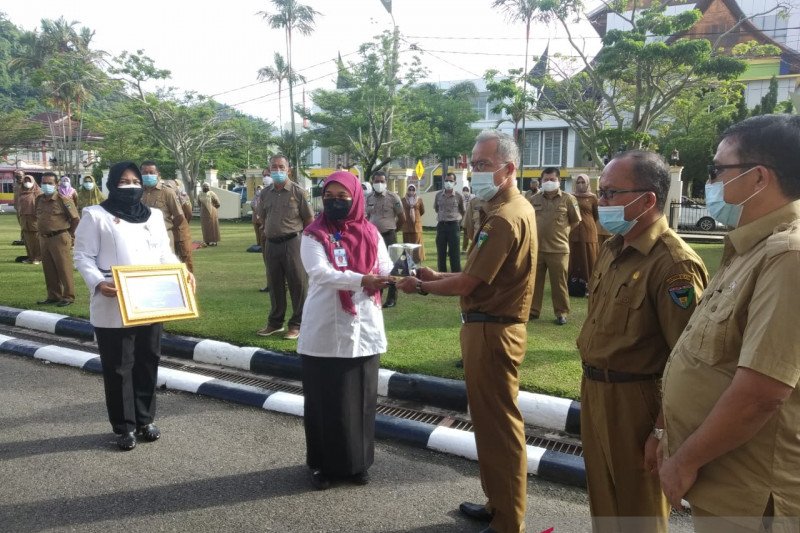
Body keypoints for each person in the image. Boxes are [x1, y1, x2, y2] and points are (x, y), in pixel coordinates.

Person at [659, 114, 800, 532]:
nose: (712, 181)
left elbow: (762, 392)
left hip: (752, 497)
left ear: (758, 178)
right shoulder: (751, 246)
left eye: (718, 170)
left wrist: (684, 461)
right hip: (726, 481)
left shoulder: (787, 256)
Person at [398, 129, 537, 533]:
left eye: (482, 165)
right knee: (490, 426)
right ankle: (498, 506)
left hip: (494, 331)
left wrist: (421, 286)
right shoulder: (504, 211)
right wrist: (437, 273)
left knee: (500, 429)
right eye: (472, 164)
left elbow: (469, 285)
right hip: (487, 327)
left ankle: (509, 520)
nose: (472, 171)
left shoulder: (505, 219)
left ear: (508, 169)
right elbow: (477, 274)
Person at [577, 151, 708, 533]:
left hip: (637, 402)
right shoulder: (613, 248)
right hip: (595, 390)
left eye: (610, 193)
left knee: (638, 513)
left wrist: (662, 431)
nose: (600, 202)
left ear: (647, 199)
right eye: (600, 193)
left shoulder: (674, 265)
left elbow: (688, 361)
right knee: (604, 505)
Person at [74, 161, 194, 451]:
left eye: (135, 181)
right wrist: (97, 283)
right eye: (123, 181)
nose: (130, 186)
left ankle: (145, 420)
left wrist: (182, 271)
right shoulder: (95, 215)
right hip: (114, 300)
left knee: (147, 360)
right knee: (119, 367)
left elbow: (164, 254)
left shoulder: (153, 215)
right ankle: (124, 426)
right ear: (112, 184)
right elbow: (82, 256)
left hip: (151, 301)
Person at [298, 170, 393, 490]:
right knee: (325, 401)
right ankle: (321, 466)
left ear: (356, 198)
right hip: (327, 325)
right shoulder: (313, 234)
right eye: (329, 197)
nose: (335, 203)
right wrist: (361, 279)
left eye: (343, 197)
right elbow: (321, 273)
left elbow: (384, 266)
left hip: (364, 322)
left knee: (361, 400)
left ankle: (358, 464)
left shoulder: (370, 232)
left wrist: (396, 272)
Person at [256, 154, 313, 340]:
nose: (277, 170)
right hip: (271, 243)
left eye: (281, 167)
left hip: (293, 242)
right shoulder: (265, 193)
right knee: (274, 284)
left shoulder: (298, 192)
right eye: (274, 167)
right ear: (269, 169)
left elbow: (309, 219)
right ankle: (275, 322)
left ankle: (297, 324)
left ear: (288, 169)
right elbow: (262, 217)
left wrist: (306, 242)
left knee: (298, 283)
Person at [529, 167, 581, 324]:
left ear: (559, 181)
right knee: (534, 282)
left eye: (552, 179)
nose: (549, 182)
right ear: (541, 181)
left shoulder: (568, 199)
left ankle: (561, 312)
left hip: (559, 249)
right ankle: (532, 310)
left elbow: (576, 221)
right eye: (546, 180)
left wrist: (563, 233)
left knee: (559, 283)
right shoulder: (533, 200)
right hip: (536, 249)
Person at [35, 172, 79, 307]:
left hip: (60, 237)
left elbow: (75, 219)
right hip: (44, 238)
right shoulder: (39, 199)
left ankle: (68, 296)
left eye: (49, 183)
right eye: (44, 183)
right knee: (48, 269)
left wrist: (70, 235)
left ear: (56, 184)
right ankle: (53, 295)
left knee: (63, 268)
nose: (46, 185)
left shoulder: (63, 199)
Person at [366, 170, 405, 308]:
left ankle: (392, 298)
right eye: (377, 181)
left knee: (392, 267)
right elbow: (366, 217)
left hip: (389, 236)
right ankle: (377, 295)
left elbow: (402, 218)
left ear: (386, 182)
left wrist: (393, 230)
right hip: (374, 238)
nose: (379, 184)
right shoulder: (368, 198)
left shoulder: (393, 197)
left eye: (382, 181)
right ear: (372, 182)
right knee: (374, 266)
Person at [140, 160, 184, 254]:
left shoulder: (167, 192)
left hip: (163, 235)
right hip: (142, 237)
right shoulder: (137, 192)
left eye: (151, 173)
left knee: (165, 266)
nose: (148, 175)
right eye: (145, 173)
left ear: (158, 174)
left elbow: (179, 216)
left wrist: (167, 227)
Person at [568, 174, 600, 296]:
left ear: (587, 183)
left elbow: (596, 215)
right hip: (574, 231)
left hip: (589, 231)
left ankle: (589, 286)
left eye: (583, 182)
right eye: (578, 182)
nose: (580, 184)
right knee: (574, 257)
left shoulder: (593, 198)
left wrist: (587, 223)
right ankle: (572, 285)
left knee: (589, 257)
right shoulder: (571, 197)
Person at [434, 172, 465, 272]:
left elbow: (463, 211)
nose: (448, 182)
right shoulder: (438, 195)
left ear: (455, 182)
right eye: (446, 180)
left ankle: (456, 277)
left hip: (454, 226)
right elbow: (436, 208)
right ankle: (441, 277)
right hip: (441, 226)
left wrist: (460, 225)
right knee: (441, 254)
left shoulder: (459, 196)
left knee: (454, 254)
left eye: (451, 181)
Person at [162, 178, 195, 272]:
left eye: (170, 187)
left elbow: (188, 214)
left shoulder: (183, 198)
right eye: (166, 187)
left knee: (184, 259)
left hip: (180, 233)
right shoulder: (163, 196)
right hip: (166, 234)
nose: (167, 189)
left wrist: (181, 226)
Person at [16, 174, 42, 264]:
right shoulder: (21, 192)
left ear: (33, 182)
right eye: (25, 181)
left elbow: (41, 207)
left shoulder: (38, 193)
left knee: (36, 239)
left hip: (34, 219)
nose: (27, 183)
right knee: (27, 240)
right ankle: (30, 257)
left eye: (29, 181)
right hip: (24, 219)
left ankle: (38, 258)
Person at [401, 183, 425, 262]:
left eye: (413, 189)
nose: (411, 191)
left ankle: (417, 262)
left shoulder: (419, 199)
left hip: (416, 226)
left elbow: (422, 211)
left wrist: (415, 217)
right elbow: (401, 211)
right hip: (406, 227)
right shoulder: (403, 200)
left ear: (415, 191)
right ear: (407, 190)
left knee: (416, 247)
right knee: (407, 246)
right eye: (410, 189)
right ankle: (408, 262)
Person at [461, 184, 474, 252]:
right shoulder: (461, 197)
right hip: (465, 217)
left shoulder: (472, 197)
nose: (465, 192)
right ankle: (464, 249)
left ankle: (473, 248)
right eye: (464, 190)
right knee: (465, 234)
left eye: (466, 190)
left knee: (474, 234)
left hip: (472, 217)